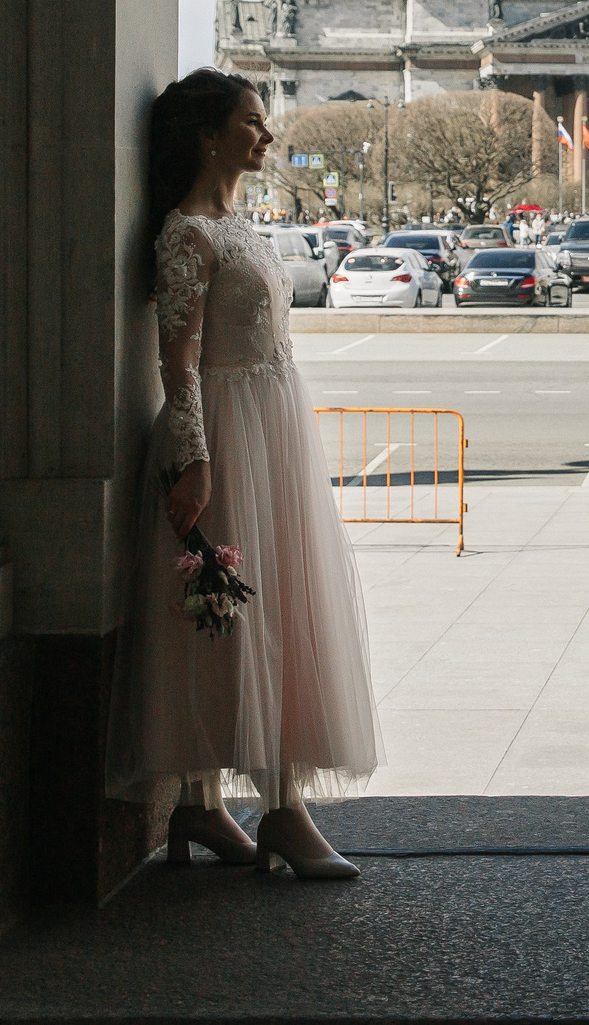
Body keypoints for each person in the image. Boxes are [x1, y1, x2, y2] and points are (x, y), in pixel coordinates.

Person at [105, 68, 382, 880]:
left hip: (269, 428)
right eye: (253, 122)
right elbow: (178, 357)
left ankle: (203, 801)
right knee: (232, 617)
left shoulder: (241, 226)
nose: (267, 134)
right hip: (226, 436)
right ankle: (283, 811)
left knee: (266, 609)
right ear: (209, 135)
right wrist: (194, 457)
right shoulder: (187, 232)